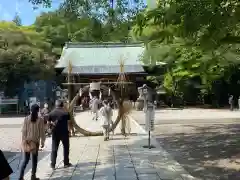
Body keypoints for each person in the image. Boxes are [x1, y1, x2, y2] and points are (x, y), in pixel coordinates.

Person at [19, 104, 46, 180]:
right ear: (38, 110)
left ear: (30, 110)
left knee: (25, 160)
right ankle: (33, 176)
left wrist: (23, 142)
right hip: (35, 142)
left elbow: (24, 132)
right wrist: (43, 142)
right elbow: (42, 132)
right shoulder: (40, 120)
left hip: (27, 142)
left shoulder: (26, 119)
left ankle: (20, 177)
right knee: (34, 160)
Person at [48, 100, 72, 169]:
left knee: (54, 148)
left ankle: (53, 164)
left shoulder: (51, 113)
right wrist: (70, 131)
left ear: (56, 105)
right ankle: (66, 163)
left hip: (55, 133)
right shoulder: (66, 113)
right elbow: (69, 123)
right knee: (66, 148)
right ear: (62, 105)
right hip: (64, 133)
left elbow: (48, 123)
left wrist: (50, 129)